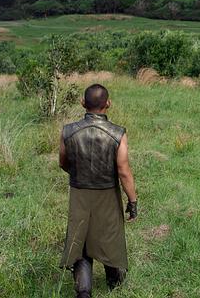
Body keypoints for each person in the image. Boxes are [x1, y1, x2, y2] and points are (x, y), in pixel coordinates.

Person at [59, 83, 138, 298]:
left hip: (79, 192)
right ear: (108, 104)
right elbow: (123, 171)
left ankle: (83, 292)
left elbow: (63, 162)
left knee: (81, 239)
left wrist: (80, 176)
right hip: (107, 192)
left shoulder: (68, 131)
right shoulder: (117, 133)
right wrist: (133, 201)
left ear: (83, 103)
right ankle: (114, 283)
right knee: (110, 234)